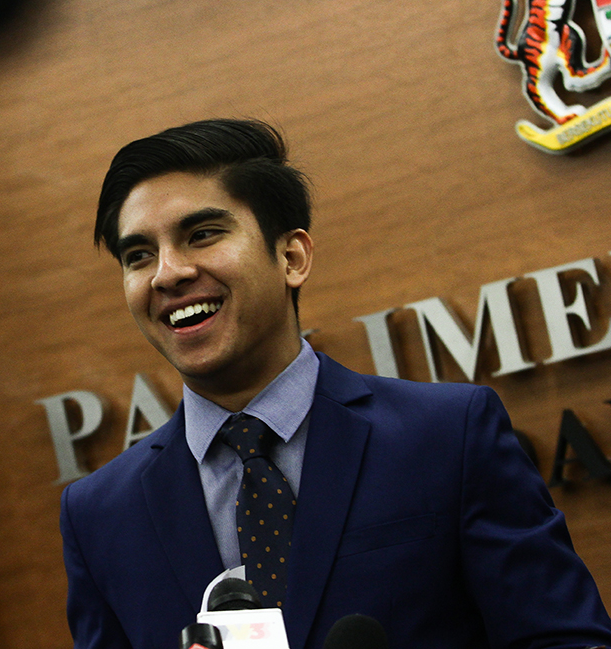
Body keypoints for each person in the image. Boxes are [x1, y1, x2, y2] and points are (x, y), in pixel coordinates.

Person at [59, 119, 611, 649]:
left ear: (291, 256)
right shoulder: (99, 514)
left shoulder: (448, 436)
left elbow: (562, 635)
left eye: (202, 234)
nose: (168, 273)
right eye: (139, 256)